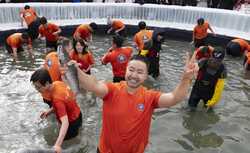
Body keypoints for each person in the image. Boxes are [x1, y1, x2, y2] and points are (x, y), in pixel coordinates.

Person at [69, 50, 198, 153]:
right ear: (126, 70)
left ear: (146, 76)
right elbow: (93, 85)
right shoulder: (112, 90)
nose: (134, 75)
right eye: (131, 70)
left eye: (140, 72)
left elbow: (174, 98)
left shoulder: (149, 97)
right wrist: (75, 70)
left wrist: (186, 79)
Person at [30, 68, 82, 153]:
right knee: (78, 137)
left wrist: (57, 144)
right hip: (78, 114)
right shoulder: (58, 83)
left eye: (38, 87)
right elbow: (66, 102)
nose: (37, 89)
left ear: (47, 83)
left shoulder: (57, 99)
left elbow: (65, 122)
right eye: (35, 87)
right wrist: (49, 112)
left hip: (71, 123)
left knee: (66, 145)